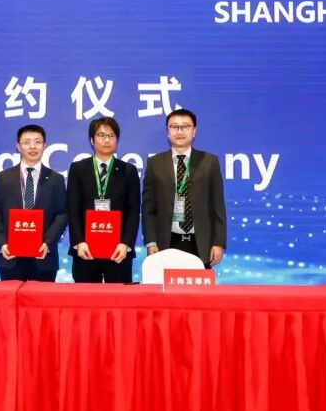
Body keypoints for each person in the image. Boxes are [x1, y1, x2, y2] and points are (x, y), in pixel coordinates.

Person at [141, 108, 227, 268]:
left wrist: (218, 242)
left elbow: (217, 207)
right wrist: (151, 241)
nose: (180, 131)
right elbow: (148, 208)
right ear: (168, 132)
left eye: (185, 126)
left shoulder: (209, 161)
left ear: (194, 131)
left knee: (198, 285)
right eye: (174, 127)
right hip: (166, 242)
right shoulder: (155, 163)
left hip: (200, 242)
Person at [0, 124, 68, 281]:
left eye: (37, 142)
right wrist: (2, 244)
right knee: (10, 297)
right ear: (18, 146)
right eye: (27, 142)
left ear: (44, 146)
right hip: (10, 256)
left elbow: (62, 214)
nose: (32, 147)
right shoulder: (4, 177)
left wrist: (48, 243)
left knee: (42, 297)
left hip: (44, 256)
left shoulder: (56, 179)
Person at [66, 116, 140, 283]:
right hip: (86, 250)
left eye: (111, 136)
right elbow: (73, 209)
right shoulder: (78, 169)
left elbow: (133, 211)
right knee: (86, 298)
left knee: (118, 297)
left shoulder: (128, 170)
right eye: (101, 135)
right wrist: (79, 242)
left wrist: (125, 244)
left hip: (118, 251)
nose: (107, 140)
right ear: (92, 140)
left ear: (117, 140)